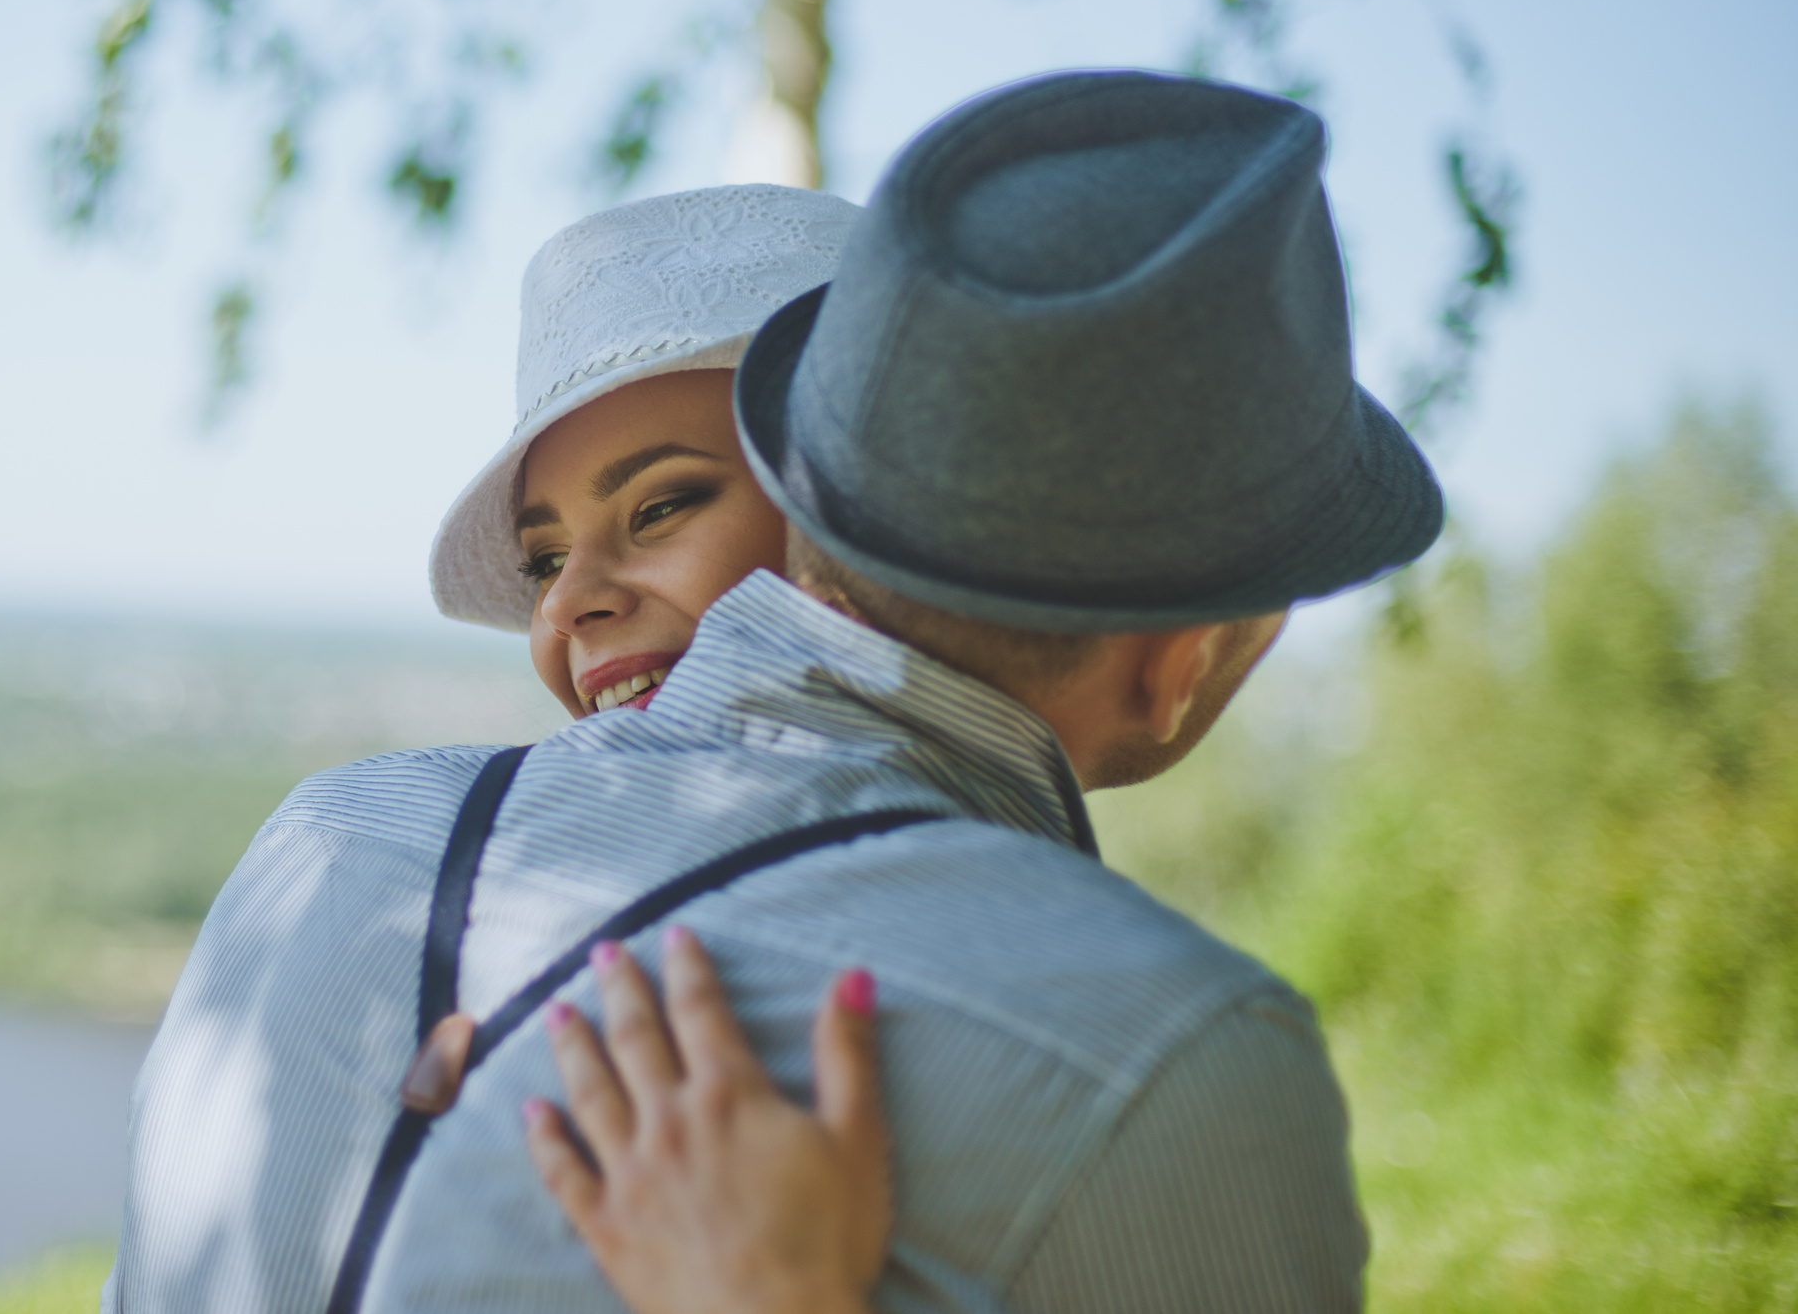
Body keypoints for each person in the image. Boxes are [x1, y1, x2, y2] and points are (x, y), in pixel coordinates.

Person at [110, 71, 1443, 1314]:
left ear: (811, 508)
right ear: (1194, 650)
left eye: (666, 502)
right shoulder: (1173, 1056)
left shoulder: (330, 843)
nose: (571, 602)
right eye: (540, 558)